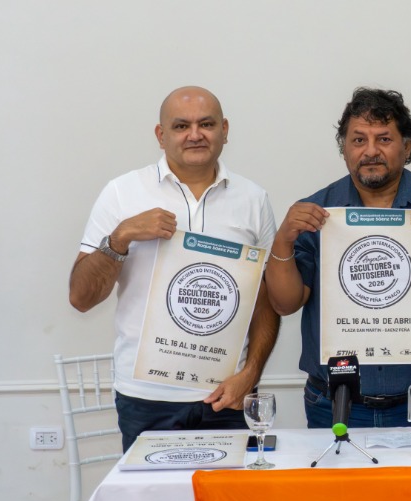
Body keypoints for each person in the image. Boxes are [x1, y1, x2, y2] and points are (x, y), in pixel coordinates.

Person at [69, 86, 280, 450]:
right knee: (151, 490)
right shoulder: (122, 192)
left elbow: (266, 301)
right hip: (146, 398)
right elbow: (81, 298)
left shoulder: (253, 199)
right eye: (181, 126)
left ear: (225, 130)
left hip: (227, 396)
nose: (195, 135)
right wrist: (120, 237)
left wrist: (250, 374)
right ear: (160, 135)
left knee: (230, 490)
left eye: (206, 124)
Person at [265, 87, 411, 428]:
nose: (370, 151)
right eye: (358, 140)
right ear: (344, 148)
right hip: (333, 403)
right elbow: (285, 303)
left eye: (384, 139)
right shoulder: (316, 210)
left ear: (407, 147)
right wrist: (283, 241)